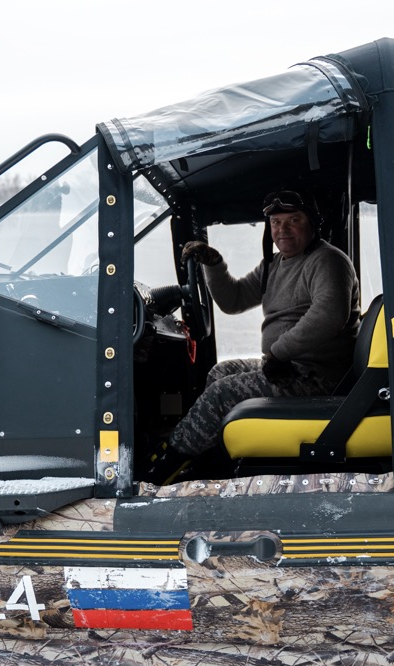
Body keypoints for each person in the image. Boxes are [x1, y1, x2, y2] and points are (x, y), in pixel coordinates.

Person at [142, 190, 360, 484]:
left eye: (293, 220)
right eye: (276, 222)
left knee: (222, 393)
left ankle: (163, 469)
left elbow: (329, 315)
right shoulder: (274, 264)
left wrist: (279, 352)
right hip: (288, 366)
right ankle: (214, 462)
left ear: (312, 224)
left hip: (318, 377)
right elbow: (234, 300)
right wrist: (214, 264)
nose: (283, 229)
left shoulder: (328, 260)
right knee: (220, 373)